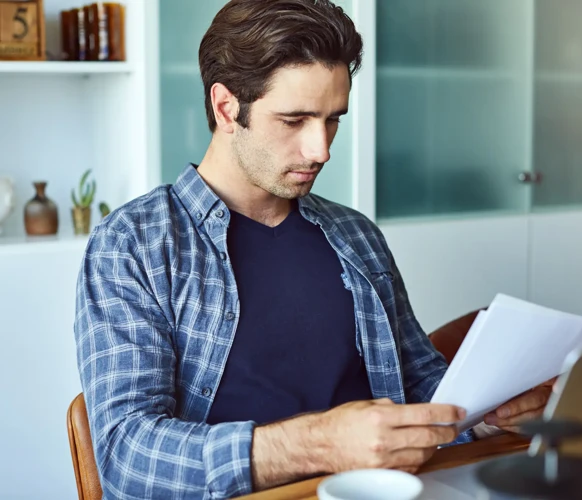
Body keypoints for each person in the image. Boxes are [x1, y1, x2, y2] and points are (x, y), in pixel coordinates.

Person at [74, 1, 553, 498]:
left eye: (332, 120)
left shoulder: (356, 236)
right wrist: (317, 444)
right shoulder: (133, 244)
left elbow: (423, 384)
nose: (320, 149)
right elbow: (125, 454)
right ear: (226, 107)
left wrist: (487, 419)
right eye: (294, 120)